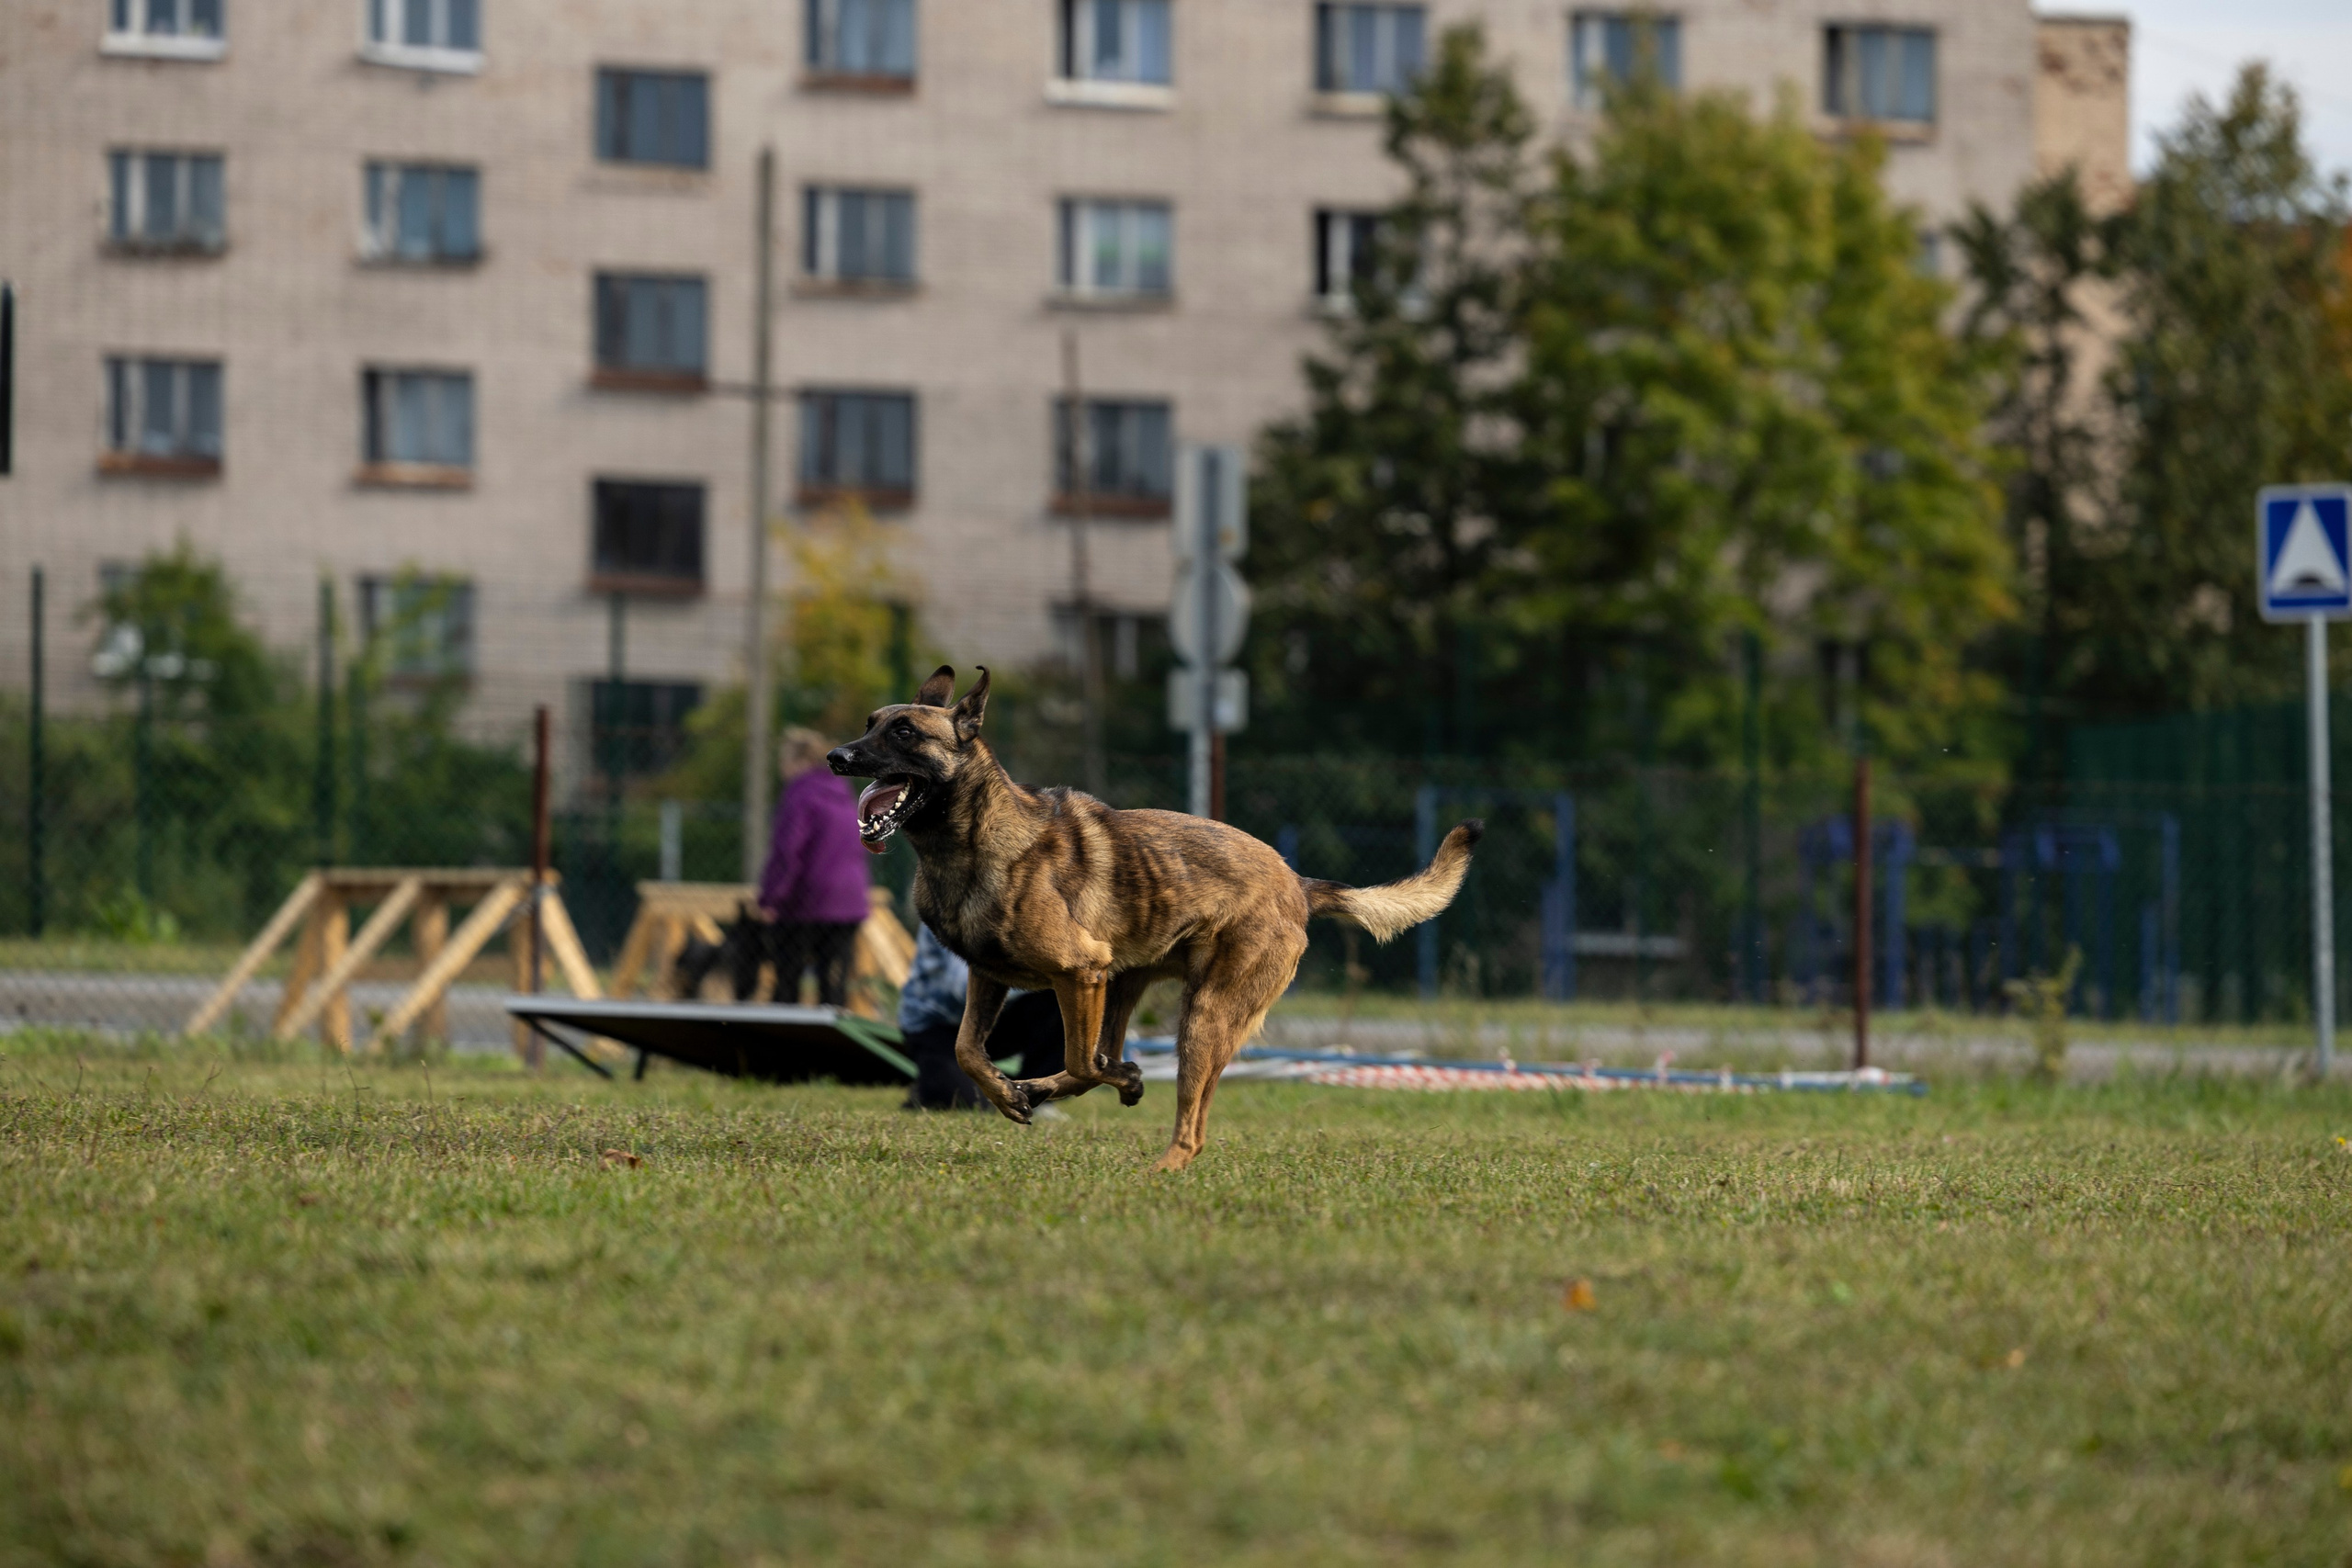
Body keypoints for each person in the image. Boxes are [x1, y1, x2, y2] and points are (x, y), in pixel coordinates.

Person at [897, 923, 1067, 1110]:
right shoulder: (949, 912)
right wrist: (1043, 976)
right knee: (974, 1105)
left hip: (991, 1022)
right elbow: (962, 989)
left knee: (1061, 995)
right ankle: (931, 1086)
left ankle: (1035, 1096)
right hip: (937, 1029)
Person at [757, 727, 870, 1006]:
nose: (782, 768)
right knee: (833, 984)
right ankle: (832, 1030)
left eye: (784, 760)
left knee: (788, 979)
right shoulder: (843, 793)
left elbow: (787, 851)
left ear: (800, 761)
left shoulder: (800, 795)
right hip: (850, 900)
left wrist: (771, 898)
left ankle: (785, 1029)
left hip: (807, 901)